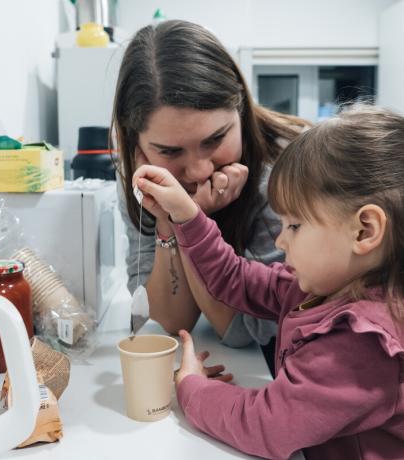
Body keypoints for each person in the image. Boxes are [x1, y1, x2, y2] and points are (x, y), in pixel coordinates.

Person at [132, 105, 404, 459]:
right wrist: (187, 215)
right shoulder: (319, 288)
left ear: (364, 230)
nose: (280, 241)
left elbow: (265, 424)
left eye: (294, 225)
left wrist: (191, 387)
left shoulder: (362, 342)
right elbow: (235, 277)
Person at [112, 20, 307, 365]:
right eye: (170, 151)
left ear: (241, 110)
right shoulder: (142, 177)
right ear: (137, 146)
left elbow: (242, 331)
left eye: (215, 139)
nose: (201, 170)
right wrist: (171, 221)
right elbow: (171, 321)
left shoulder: (285, 168)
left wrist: (192, 220)